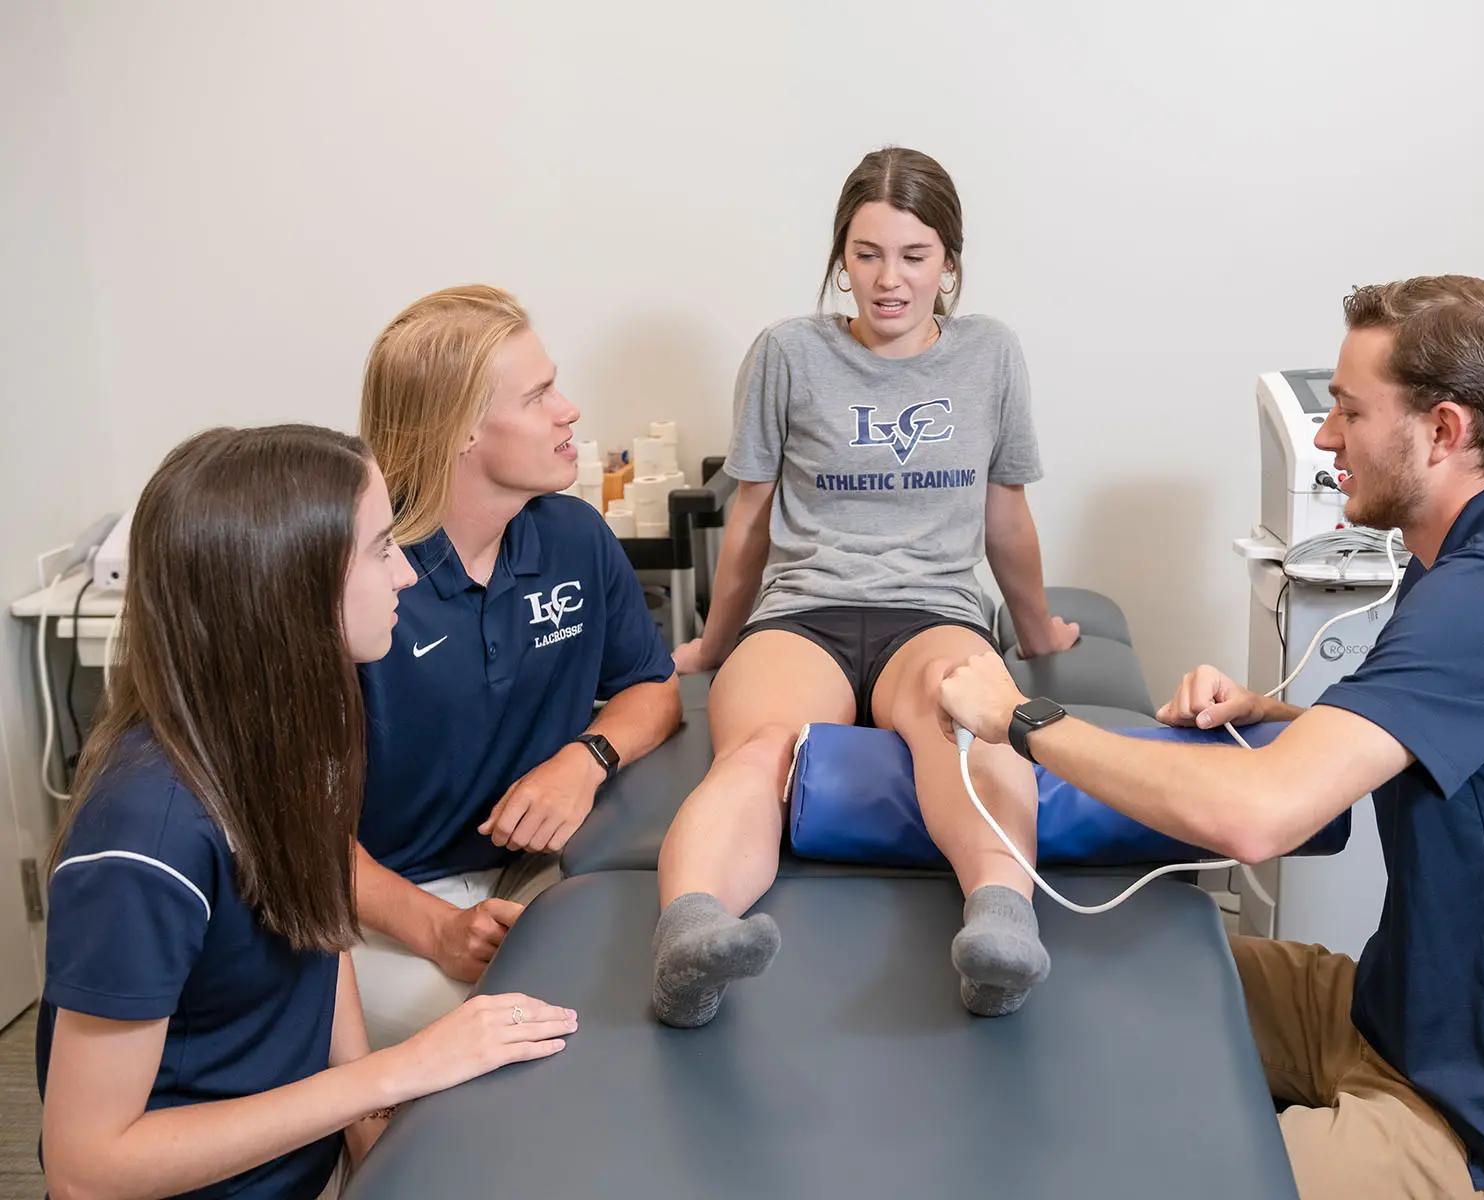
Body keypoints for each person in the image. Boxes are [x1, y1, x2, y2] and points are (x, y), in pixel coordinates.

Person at [938, 276, 1484, 1199]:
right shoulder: (1480, 562)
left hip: (1480, 1123)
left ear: (1443, 431)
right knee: (1106, 968)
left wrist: (1020, 718)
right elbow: (1433, 739)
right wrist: (1275, 714)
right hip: (1395, 1016)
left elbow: (1256, 822)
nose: (1326, 437)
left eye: (1348, 409)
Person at [37, 425, 576, 1200]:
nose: (407, 577)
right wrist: (401, 1068)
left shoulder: (290, 738)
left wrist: (365, 1127)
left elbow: (320, 939)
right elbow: (89, 1168)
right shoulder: (143, 842)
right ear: (290, 586)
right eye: (381, 548)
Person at [651, 146, 1079, 1026]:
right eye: (867, 253)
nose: (889, 280)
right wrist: (716, 641)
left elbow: (1005, 517)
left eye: (914, 256)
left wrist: (1037, 634)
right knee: (760, 745)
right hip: (803, 613)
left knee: (964, 733)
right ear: (840, 257)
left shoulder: (990, 355)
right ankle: (689, 940)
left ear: (949, 264)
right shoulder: (787, 353)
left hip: (931, 613)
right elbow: (751, 519)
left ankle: (1002, 929)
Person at [352, 285, 683, 1049]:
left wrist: (586, 757)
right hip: (383, 906)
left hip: (532, 875)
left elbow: (652, 687)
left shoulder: (572, 536)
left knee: (656, 1002)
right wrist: (433, 927)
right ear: (460, 431)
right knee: (568, 1046)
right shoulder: (363, 582)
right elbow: (285, 833)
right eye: (538, 397)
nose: (569, 410)